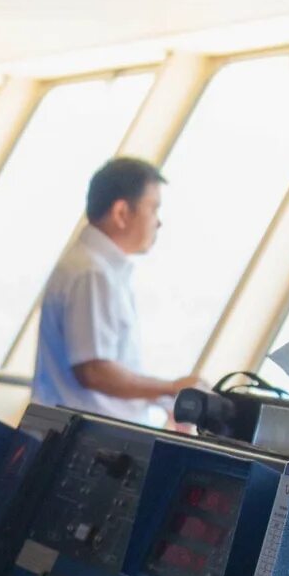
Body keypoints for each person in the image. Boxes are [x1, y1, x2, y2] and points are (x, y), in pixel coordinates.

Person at [31, 156, 198, 425]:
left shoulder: (94, 267)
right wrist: (170, 388)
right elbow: (95, 371)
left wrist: (163, 399)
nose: (158, 222)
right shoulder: (92, 273)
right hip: (84, 435)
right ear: (121, 213)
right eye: (153, 209)